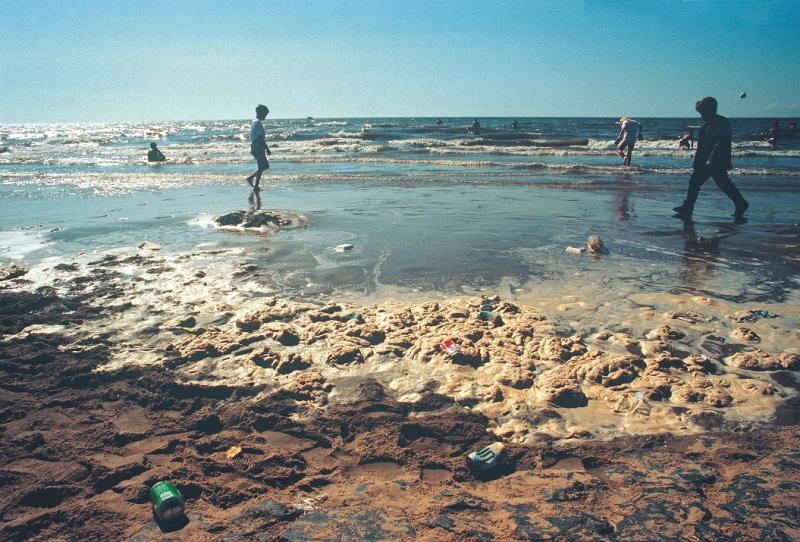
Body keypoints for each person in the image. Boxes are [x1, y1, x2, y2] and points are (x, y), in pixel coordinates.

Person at [672, 97, 748, 220]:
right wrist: (697, 162)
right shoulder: (705, 127)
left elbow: (722, 142)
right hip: (705, 161)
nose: (702, 116)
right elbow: (701, 148)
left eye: (703, 113)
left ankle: (688, 207)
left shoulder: (722, 122)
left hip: (717, 161)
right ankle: (740, 203)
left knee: (702, 182)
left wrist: (711, 158)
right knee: (718, 183)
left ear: (711, 110)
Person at [246, 104, 272, 191]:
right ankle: (256, 186)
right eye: (264, 115)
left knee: (264, 166)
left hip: (255, 145)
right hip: (258, 145)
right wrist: (267, 148)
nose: (265, 117)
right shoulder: (257, 123)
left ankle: (251, 178)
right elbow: (260, 138)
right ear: (259, 113)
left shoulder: (254, 121)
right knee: (262, 166)